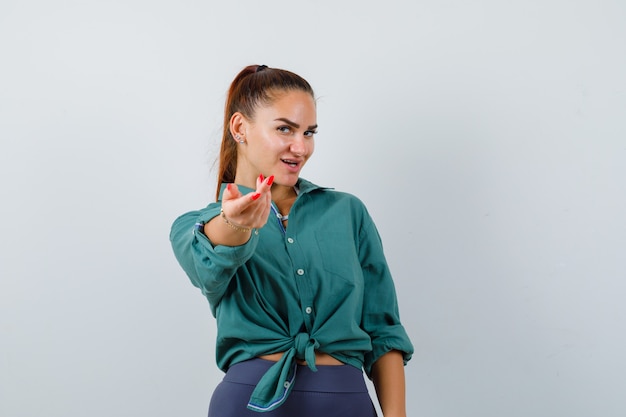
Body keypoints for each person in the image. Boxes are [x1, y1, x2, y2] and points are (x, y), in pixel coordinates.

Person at [170, 64, 414, 417]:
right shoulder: (195, 225)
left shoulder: (348, 212)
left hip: (346, 403)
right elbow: (210, 261)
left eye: (309, 132)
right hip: (248, 403)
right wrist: (236, 223)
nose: (300, 147)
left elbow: (383, 329)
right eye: (285, 129)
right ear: (240, 128)